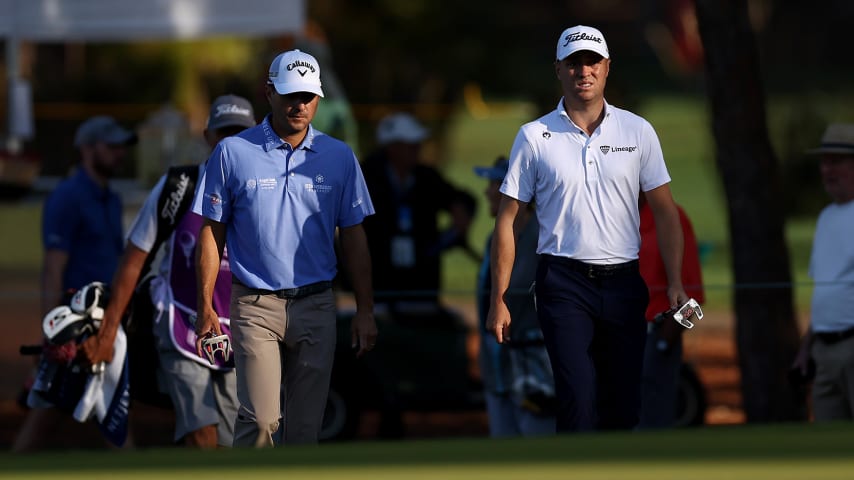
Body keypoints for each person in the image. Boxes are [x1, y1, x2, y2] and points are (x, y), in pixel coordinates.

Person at [486, 25, 688, 432]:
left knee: (623, 406)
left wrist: (677, 282)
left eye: (592, 61)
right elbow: (508, 219)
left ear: (607, 67)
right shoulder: (535, 136)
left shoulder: (638, 131)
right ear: (558, 69)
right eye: (574, 62)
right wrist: (499, 297)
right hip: (562, 282)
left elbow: (665, 212)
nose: (584, 71)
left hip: (624, 282)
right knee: (577, 399)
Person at [193, 49, 377, 447]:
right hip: (255, 303)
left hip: (317, 303)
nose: (299, 104)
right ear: (270, 93)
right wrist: (206, 304)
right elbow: (212, 232)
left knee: (305, 432)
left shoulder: (340, 157)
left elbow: (355, 235)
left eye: (308, 96)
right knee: (260, 420)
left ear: (319, 99)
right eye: (291, 94)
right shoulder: (232, 152)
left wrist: (364, 309)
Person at [78, 95, 257, 448]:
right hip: (181, 321)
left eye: (242, 134)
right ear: (208, 136)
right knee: (201, 430)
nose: (233, 142)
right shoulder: (178, 187)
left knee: (238, 439)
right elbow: (135, 258)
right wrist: (108, 332)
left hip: (242, 329)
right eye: (225, 133)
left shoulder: (263, 192)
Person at [13, 115, 137, 452]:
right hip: (77, 324)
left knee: (65, 411)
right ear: (86, 149)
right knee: (61, 413)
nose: (119, 154)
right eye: (111, 147)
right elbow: (54, 268)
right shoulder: (68, 197)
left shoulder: (109, 198)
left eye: (120, 147)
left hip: (104, 320)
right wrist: (54, 331)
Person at [360, 112, 476, 308]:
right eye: (411, 145)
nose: (417, 149)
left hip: (422, 284)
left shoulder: (426, 177)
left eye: (417, 144)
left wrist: (460, 209)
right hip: (378, 284)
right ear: (392, 147)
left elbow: (463, 198)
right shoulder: (366, 176)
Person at [475, 156, 555, 437]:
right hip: (498, 367)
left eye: (495, 183)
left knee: (539, 446)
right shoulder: (492, 239)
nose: (487, 191)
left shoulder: (546, 236)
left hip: (538, 369)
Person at [792, 123, 854, 421]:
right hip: (825, 352)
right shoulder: (827, 218)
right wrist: (806, 348)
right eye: (824, 161)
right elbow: (824, 291)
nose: (827, 170)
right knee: (830, 443)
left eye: (837, 161)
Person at [637, 195, 705, 429]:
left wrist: (664, 342)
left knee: (651, 423)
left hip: (655, 337)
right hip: (612, 339)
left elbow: (693, 302)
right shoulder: (608, 216)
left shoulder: (672, 218)